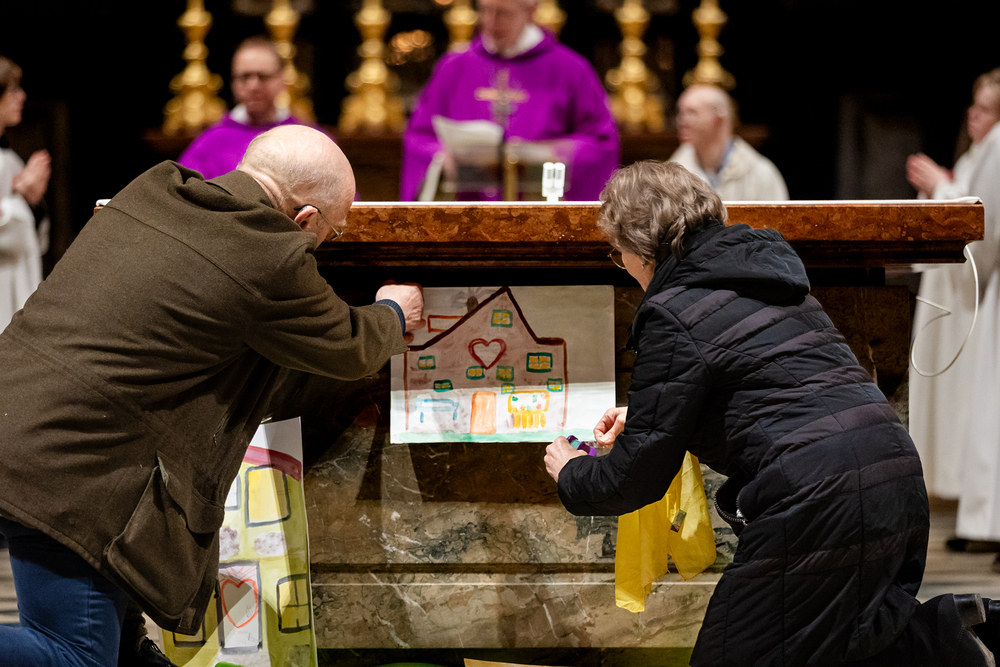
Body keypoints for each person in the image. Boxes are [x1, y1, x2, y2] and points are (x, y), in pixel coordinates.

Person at [543, 160, 998, 665]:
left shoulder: (673, 310)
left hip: (819, 495)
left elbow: (635, 479)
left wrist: (572, 471)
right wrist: (653, 413)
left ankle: (951, 640)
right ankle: (958, 633)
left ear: (641, 246)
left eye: (617, 251)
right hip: (893, 474)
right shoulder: (769, 278)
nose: (622, 262)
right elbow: (778, 388)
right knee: (848, 643)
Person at [0, 124, 424, 666]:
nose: (325, 245)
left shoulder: (155, 187)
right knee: (77, 657)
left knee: (122, 649)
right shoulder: (270, 254)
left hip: (27, 423)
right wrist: (393, 313)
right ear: (305, 219)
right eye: (332, 234)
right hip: (72, 466)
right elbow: (349, 346)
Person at [907, 67, 1000, 571]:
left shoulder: (998, 147)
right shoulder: (980, 151)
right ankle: (983, 522)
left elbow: (986, 230)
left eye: (985, 108)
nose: (972, 115)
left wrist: (944, 186)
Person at [401, 0, 619, 201]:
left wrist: (557, 152)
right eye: (485, 10)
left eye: (503, 13)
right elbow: (419, 136)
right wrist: (441, 157)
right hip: (467, 212)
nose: (490, 22)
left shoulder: (570, 69)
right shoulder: (454, 67)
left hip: (541, 211)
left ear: (531, 11)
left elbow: (601, 142)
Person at [178, 36, 318, 180]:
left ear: (282, 81)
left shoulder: (306, 139)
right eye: (244, 77)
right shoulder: (210, 142)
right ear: (233, 83)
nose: (253, 86)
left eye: (263, 76)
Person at [669, 84, 788, 201]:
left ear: (718, 119)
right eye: (680, 113)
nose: (681, 121)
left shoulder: (760, 174)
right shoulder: (672, 176)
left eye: (692, 112)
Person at [0, 55, 49, 330]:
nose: (22, 96)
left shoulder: (9, 159)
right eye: (13, 89)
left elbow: (31, 239)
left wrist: (33, 203)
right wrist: (20, 195)